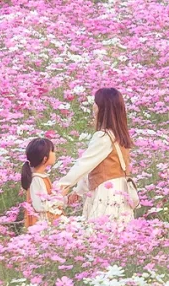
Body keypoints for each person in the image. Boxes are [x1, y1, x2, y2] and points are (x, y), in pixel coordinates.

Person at [55, 87, 139, 228]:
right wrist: (78, 191)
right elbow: (94, 167)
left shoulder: (103, 137)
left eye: (95, 102)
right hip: (121, 194)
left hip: (106, 194)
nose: (93, 106)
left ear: (102, 108)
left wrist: (60, 186)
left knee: (99, 235)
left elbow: (84, 164)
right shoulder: (120, 137)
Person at [19, 136, 64, 232]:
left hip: (47, 222)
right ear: (45, 159)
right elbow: (39, 206)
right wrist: (59, 197)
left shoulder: (42, 177)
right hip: (42, 225)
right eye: (52, 151)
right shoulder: (37, 179)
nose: (55, 154)